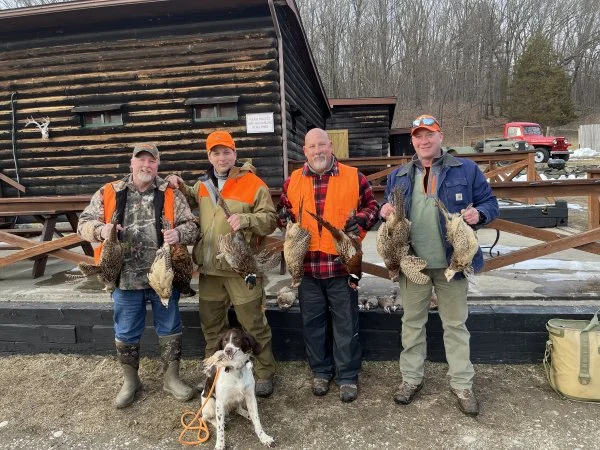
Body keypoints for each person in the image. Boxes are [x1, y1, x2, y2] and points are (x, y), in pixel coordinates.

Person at [380, 115, 499, 416]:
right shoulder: (399, 175)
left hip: (453, 262)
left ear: (440, 137)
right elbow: (388, 209)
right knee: (412, 323)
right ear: (412, 141)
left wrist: (479, 214)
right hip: (412, 263)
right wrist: (385, 210)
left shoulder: (465, 169)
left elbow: (490, 203)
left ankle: (462, 384)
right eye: (418, 136)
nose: (424, 141)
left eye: (429, 135)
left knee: (455, 324)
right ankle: (411, 379)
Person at [78, 143, 200, 409]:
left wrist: (179, 234)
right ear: (131, 163)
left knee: (170, 327)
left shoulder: (170, 192)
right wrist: (101, 230)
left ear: (158, 164)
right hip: (124, 278)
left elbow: (193, 226)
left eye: (151, 161)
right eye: (141, 160)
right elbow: (83, 224)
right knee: (126, 331)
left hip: (164, 276)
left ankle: (171, 379)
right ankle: (131, 382)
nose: (146, 165)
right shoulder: (110, 191)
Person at [166, 130, 278, 398]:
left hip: (241, 269)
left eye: (226, 152)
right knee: (212, 327)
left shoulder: (253, 183)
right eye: (216, 153)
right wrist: (177, 183)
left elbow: (270, 220)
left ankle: (264, 372)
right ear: (209, 157)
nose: (222, 157)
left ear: (235, 154)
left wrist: (247, 220)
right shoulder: (203, 184)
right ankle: (214, 372)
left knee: (253, 323)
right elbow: (188, 197)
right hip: (210, 270)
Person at [277, 128, 379, 403]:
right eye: (312, 147)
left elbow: (373, 207)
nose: (318, 151)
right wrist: (282, 216)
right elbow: (283, 215)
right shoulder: (293, 181)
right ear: (305, 151)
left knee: (346, 323)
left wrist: (361, 219)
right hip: (307, 267)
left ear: (331, 146)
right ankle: (321, 372)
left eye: (322, 145)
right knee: (313, 324)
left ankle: (347, 376)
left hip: (343, 266)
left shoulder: (354, 176)